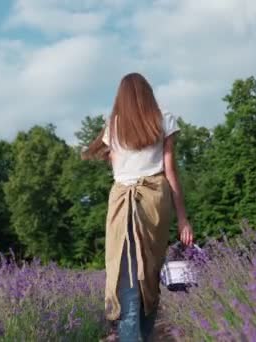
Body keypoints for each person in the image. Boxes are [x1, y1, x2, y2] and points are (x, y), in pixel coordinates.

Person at [84, 72, 193, 341]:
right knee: (149, 276)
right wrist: (183, 219)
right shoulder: (163, 118)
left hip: (122, 202)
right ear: (147, 92)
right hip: (154, 200)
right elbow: (170, 171)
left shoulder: (113, 126)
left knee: (128, 277)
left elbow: (117, 168)